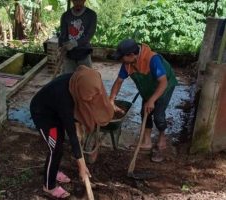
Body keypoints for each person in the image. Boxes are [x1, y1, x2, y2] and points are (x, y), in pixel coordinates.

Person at [30, 66, 113, 198]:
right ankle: (49, 185)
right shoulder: (63, 96)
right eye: (88, 96)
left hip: (57, 111)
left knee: (60, 143)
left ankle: (54, 170)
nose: (91, 99)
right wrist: (82, 167)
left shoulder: (78, 81)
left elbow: (81, 107)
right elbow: (72, 134)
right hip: (44, 115)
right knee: (55, 149)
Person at [109, 39, 178, 162]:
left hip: (164, 87)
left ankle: (162, 138)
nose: (122, 61)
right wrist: (111, 99)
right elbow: (119, 81)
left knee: (158, 116)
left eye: (123, 57)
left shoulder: (152, 59)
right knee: (144, 112)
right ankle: (147, 142)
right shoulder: (127, 63)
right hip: (147, 88)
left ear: (132, 55)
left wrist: (152, 100)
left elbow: (163, 82)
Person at [58, 0, 97, 73]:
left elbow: (89, 35)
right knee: (67, 79)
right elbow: (63, 35)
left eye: (80, 0)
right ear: (72, 0)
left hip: (84, 53)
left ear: (84, 0)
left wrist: (75, 43)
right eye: (76, 0)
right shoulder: (65, 16)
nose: (78, 2)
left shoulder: (91, 15)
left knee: (86, 79)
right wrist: (60, 47)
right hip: (69, 54)